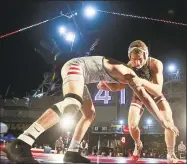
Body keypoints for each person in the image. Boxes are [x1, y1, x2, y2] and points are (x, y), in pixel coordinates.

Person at [3, 56, 178, 163]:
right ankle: (21, 142)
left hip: (82, 73)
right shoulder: (129, 75)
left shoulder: (121, 76)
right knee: (72, 103)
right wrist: (163, 122)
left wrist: (106, 86)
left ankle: (72, 152)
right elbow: (146, 98)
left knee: (89, 113)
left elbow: (113, 86)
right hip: (75, 67)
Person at [99, 40, 180, 163]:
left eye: (140, 59)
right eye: (134, 59)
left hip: (154, 93)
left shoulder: (155, 64)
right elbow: (119, 86)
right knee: (132, 125)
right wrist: (107, 85)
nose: (137, 62)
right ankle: (138, 143)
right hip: (139, 95)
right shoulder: (129, 66)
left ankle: (171, 153)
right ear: (129, 57)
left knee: (168, 122)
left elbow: (158, 90)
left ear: (146, 55)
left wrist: (140, 81)